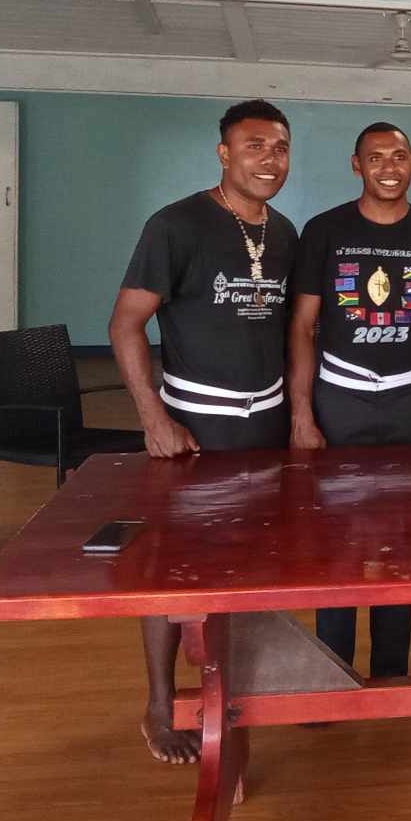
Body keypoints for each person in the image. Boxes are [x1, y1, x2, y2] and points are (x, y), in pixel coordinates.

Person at [108, 99, 297, 764]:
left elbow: (288, 330)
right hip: (194, 426)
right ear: (224, 153)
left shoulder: (285, 232)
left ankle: (242, 688)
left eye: (279, 147)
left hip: (267, 422)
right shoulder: (177, 225)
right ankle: (160, 706)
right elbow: (125, 323)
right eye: (253, 146)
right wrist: (153, 418)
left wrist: (298, 417)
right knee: (172, 571)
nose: (268, 159)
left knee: (253, 565)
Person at [287, 122, 411, 677]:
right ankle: (332, 673)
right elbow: (302, 327)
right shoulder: (324, 230)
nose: (388, 167)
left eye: (399, 156)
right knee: (335, 543)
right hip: (340, 399)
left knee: (402, 542)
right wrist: (301, 412)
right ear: (356, 165)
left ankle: (392, 673)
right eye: (375, 157)